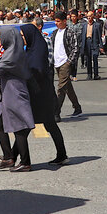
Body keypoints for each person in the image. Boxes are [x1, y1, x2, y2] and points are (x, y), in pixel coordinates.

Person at [21, 18, 68, 165]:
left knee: (26, 127)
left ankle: (12, 157)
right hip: (40, 94)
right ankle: (62, 154)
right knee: (43, 125)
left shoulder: (38, 52)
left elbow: (38, 72)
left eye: (23, 35)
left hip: (41, 96)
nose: (22, 38)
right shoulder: (32, 49)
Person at [0, 25, 36, 172]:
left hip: (15, 95)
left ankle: (25, 162)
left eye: (0, 36)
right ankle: (8, 157)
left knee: (19, 128)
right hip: (8, 95)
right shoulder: (12, 51)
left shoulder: (12, 55)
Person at [52, 12, 82, 119]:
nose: (56, 23)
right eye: (55, 21)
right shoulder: (55, 33)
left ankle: (56, 112)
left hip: (65, 63)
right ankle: (77, 107)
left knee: (61, 88)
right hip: (57, 63)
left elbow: (75, 48)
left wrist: (69, 62)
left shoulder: (70, 32)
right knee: (67, 86)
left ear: (65, 21)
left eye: (58, 21)